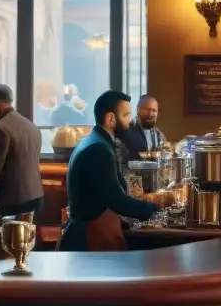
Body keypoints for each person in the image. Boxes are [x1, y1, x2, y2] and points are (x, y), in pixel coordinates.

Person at [57, 90, 158, 251]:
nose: (130, 121)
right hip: (90, 239)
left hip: (94, 232)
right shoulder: (99, 149)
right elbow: (115, 199)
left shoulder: (95, 141)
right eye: (126, 115)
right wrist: (152, 208)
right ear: (111, 118)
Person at [0, 84, 45, 224]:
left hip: (12, 202)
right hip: (36, 197)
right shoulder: (32, 126)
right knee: (27, 243)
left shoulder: (1, 129)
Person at [118, 94, 165, 160]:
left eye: (154, 110)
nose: (150, 114)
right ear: (138, 110)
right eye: (147, 109)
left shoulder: (159, 135)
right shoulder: (126, 130)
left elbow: (162, 157)